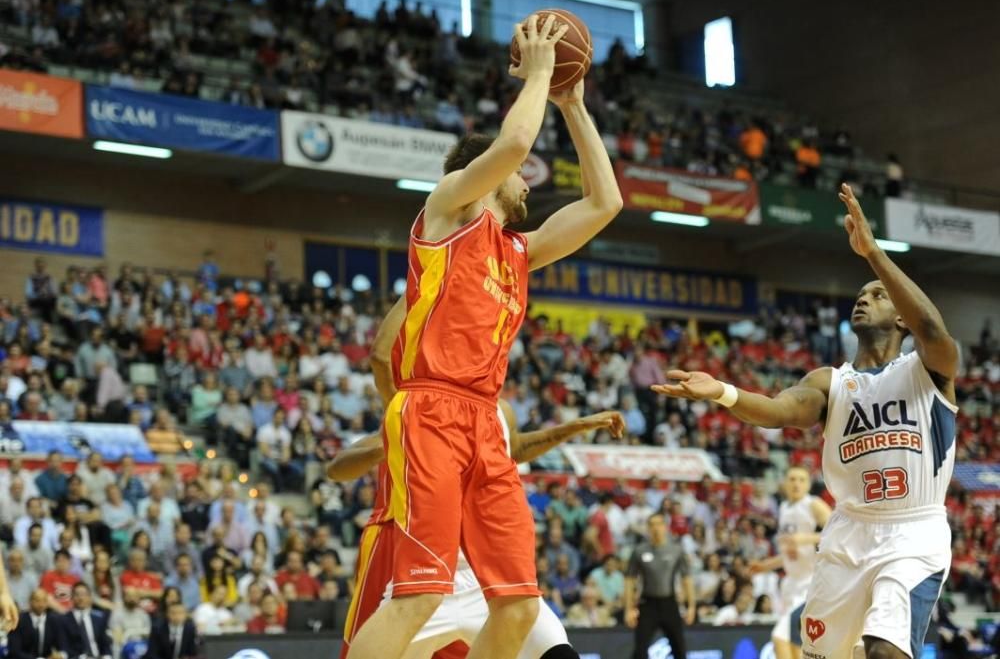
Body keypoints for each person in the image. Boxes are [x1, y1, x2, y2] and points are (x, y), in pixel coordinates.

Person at [347, 15, 622, 659]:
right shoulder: (445, 210)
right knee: (417, 596)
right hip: (431, 409)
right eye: (521, 174)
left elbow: (603, 203)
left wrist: (574, 105)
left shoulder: (518, 252)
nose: (529, 180)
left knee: (520, 606)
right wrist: (541, 73)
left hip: (483, 421)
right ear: (483, 172)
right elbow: (515, 142)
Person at [652, 184, 960, 659]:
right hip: (848, 531)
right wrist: (725, 392)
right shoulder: (831, 382)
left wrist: (873, 254)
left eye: (877, 295)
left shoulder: (929, 369)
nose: (863, 298)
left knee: (885, 650)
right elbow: (779, 411)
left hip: (913, 532)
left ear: (902, 318)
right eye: (860, 294)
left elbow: (935, 330)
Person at [337, 300, 623, 659]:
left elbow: (514, 448)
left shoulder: (496, 408)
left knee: (559, 653)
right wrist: (426, 282)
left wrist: (576, 426)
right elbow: (381, 356)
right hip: (428, 573)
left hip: (484, 575)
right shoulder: (419, 400)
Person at [749, 467, 831, 659]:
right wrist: (766, 565)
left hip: (812, 583)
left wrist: (808, 538)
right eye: (792, 479)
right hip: (791, 586)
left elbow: (841, 532)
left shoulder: (813, 504)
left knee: (781, 637)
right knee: (797, 644)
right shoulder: (784, 508)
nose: (796, 484)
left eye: (802, 480)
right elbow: (790, 553)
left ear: (808, 484)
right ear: (784, 483)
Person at [624, 513, 695, 659]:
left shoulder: (676, 550)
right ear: (648, 528)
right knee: (640, 650)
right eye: (652, 524)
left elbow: (686, 579)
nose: (656, 528)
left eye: (659, 524)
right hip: (647, 604)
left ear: (665, 527)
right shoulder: (639, 551)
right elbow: (629, 580)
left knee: (679, 649)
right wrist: (629, 608)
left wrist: (691, 606)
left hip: (669, 603)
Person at [9, 587, 68, 659]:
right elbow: (14, 651)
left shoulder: (53, 620)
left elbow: (63, 645)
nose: (41, 604)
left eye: (44, 601)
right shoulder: (19, 620)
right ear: (30, 601)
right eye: (37, 600)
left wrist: (61, 655)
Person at [63, 581, 113, 659]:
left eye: (84, 594)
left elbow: (105, 643)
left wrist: (107, 656)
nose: (81, 598)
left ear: (90, 597)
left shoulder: (99, 619)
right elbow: (65, 647)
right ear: (72, 597)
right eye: (77, 595)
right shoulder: (64, 620)